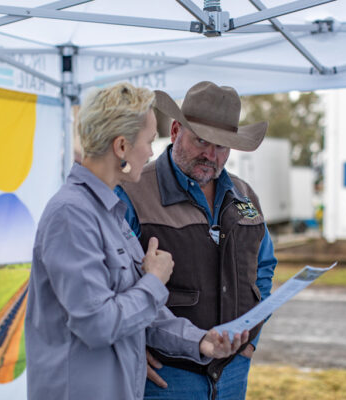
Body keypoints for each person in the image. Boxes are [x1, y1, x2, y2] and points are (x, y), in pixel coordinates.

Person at [24, 82, 250, 400]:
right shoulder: (71, 215)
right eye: (147, 140)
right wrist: (155, 281)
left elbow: (140, 314)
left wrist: (200, 342)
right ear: (121, 147)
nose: (151, 150)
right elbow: (98, 325)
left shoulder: (108, 212)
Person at [118, 81, 278, 399]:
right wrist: (130, 349)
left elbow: (264, 268)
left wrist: (249, 343)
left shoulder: (245, 196)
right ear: (176, 130)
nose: (210, 155)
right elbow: (114, 286)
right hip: (167, 376)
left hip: (233, 372)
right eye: (201, 140)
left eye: (222, 146)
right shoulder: (131, 193)